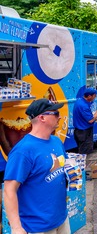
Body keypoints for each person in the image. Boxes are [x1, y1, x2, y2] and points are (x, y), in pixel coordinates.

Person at [4, 99, 70, 234]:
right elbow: (9, 190)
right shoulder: (23, 151)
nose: (60, 116)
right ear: (42, 118)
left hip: (61, 219)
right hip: (37, 227)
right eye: (56, 113)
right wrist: (16, 228)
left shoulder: (56, 141)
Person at [73, 87, 97, 155]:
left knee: (82, 150)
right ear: (89, 96)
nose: (95, 97)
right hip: (84, 132)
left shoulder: (79, 101)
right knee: (85, 153)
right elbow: (90, 120)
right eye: (94, 95)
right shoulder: (83, 106)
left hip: (79, 131)